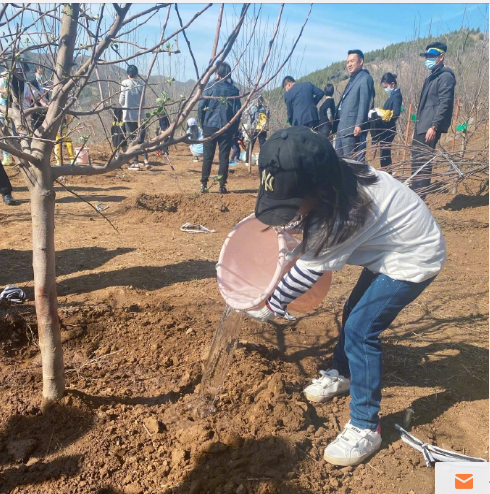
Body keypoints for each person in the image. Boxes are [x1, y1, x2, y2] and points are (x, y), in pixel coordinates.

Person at [246, 126, 446, 467]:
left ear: (319, 190)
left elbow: (307, 271)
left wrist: (273, 304)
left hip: (413, 257)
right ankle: (344, 372)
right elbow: (306, 237)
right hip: (389, 249)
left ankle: (367, 425)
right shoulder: (334, 179)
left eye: (293, 204)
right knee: (352, 311)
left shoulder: (346, 213)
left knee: (361, 330)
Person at [411, 42, 456, 196]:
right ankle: (414, 192)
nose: (428, 59)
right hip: (421, 126)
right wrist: (416, 128)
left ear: (441, 57)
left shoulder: (445, 77)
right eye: (427, 57)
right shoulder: (431, 78)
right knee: (415, 160)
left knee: (423, 162)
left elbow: (444, 103)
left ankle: (420, 195)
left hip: (430, 127)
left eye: (431, 56)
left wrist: (434, 126)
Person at [198, 61, 241, 194]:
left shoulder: (210, 86)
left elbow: (201, 107)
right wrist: (234, 129)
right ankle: (222, 186)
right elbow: (237, 112)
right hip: (226, 127)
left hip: (210, 126)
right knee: (224, 157)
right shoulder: (234, 90)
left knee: (208, 156)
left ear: (217, 73)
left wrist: (202, 124)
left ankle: (204, 184)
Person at [334, 50, 375, 160]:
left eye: (352, 61)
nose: (349, 64)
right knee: (339, 162)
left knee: (351, 163)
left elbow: (364, 103)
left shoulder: (365, 78)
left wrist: (359, 124)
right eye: (347, 62)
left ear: (361, 61)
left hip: (352, 129)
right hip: (341, 127)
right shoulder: (352, 79)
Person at [368, 72, 403, 170]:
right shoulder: (391, 96)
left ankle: (387, 174)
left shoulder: (396, 96)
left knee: (385, 156)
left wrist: (382, 113)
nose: (385, 89)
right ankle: (386, 172)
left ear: (392, 84)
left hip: (389, 130)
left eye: (386, 87)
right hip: (385, 129)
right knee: (383, 154)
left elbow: (395, 113)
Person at [119, 64, 150, 171]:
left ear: (128, 74)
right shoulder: (141, 84)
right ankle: (146, 161)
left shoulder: (124, 83)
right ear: (136, 74)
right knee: (141, 139)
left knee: (132, 139)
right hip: (140, 116)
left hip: (128, 115)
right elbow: (144, 101)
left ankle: (136, 162)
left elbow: (121, 100)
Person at [246, 95, 270, 160]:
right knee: (259, 144)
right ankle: (263, 159)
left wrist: (248, 127)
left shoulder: (255, 108)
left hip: (257, 128)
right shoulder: (265, 108)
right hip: (259, 128)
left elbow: (250, 118)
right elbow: (268, 118)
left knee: (254, 143)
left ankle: (248, 160)